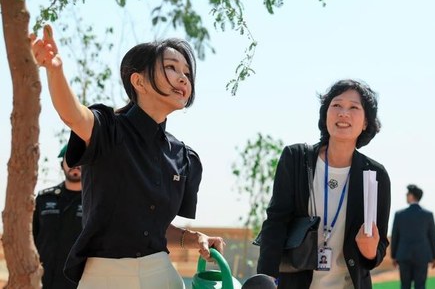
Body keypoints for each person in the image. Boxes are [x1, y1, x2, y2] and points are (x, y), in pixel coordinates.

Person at [31, 25, 225, 288]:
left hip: (161, 275)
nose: (183, 78)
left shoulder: (183, 156)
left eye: (187, 73)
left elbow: (154, 229)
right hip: (104, 276)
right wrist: (55, 71)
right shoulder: (108, 129)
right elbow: (73, 115)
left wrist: (193, 238)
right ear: (139, 81)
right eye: (171, 67)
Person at [256, 79, 391, 288]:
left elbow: (378, 247)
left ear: (365, 122)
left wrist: (370, 249)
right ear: (325, 114)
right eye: (336, 105)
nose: (343, 113)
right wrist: (265, 280)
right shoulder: (295, 158)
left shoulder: (375, 174)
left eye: (353, 107)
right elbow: (276, 223)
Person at [33, 144, 83, 289]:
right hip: (42, 281)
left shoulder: (94, 203)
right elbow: (31, 237)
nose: (76, 165)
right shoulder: (44, 199)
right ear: (62, 165)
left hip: (78, 283)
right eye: (71, 160)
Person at [391, 184, 435, 289]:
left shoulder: (399, 214)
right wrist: (434, 256)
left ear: (411, 196)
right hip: (422, 256)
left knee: (404, 286)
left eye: (407, 194)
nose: (406, 196)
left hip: (403, 256)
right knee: (420, 286)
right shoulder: (428, 215)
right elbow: (432, 237)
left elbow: (395, 237)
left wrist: (394, 256)